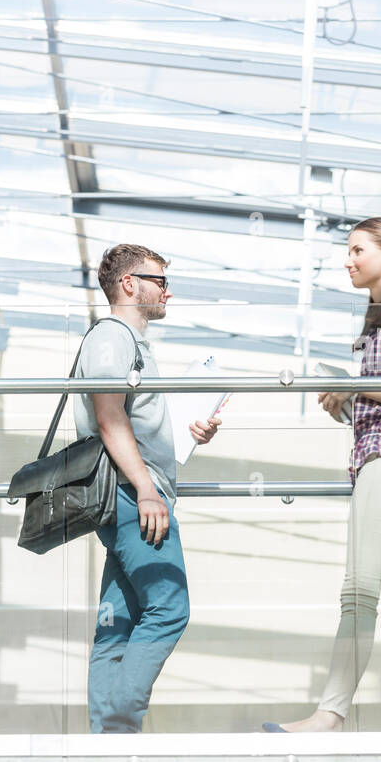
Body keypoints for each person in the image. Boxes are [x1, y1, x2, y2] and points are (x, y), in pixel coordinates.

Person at [265, 217, 381, 733]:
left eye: (356, 250)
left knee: (357, 595)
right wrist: (350, 398)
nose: (348, 260)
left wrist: (353, 387)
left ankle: (329, 714)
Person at [75, 243, 222, 733]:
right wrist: (146, 490)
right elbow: (108, 416)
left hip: (130, 490)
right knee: (169, 607)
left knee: (118, 623)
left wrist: (187, 433)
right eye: (159, 280)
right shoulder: (111, 337)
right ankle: (119, 726)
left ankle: (105, 739)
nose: (167, 291)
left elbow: (131, 422)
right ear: (128, 283)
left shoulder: (130, 344)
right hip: (131, 494)